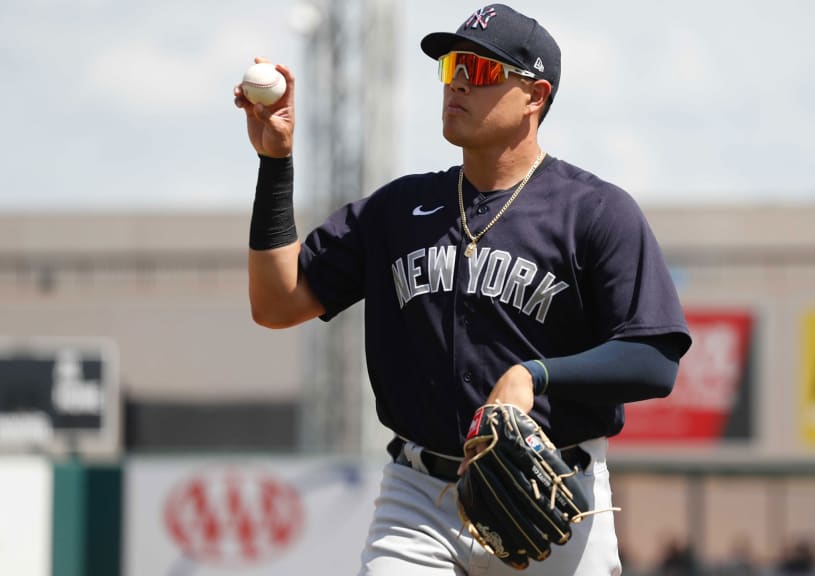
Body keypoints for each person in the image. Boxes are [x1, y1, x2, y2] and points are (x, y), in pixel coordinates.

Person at [234, 4, 691, 574]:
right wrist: (275, 162)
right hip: (420, 499)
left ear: (535, 94)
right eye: (452, 66)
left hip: (552, 494)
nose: (457, 83)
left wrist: (534, 374)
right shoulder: (398, 209)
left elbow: (655, 359)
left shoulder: (595, 212)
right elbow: (277, 303)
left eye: (480, 69)